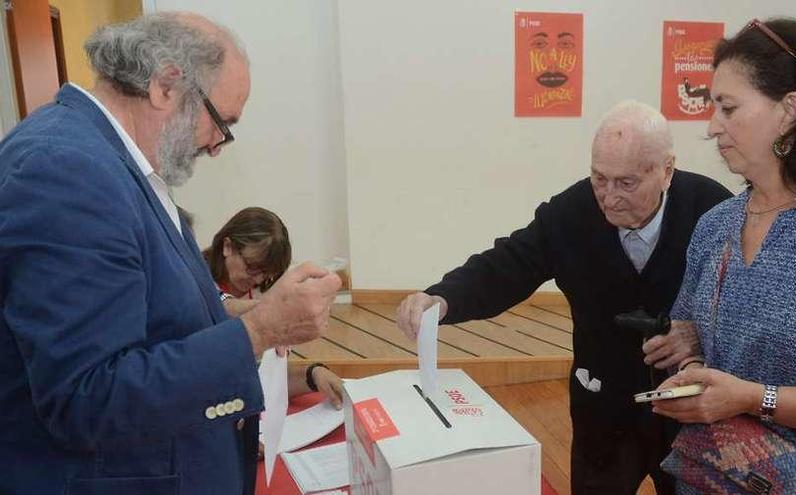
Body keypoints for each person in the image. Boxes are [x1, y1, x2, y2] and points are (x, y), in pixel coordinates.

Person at [0, 13, 341, 495]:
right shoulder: (66, 171)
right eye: (222, 123)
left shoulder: (110, 161)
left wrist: (242, 314)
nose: (218, 146)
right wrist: (260, 331)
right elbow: (89, 398)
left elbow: (153, 321)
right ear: (164, 85)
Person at [396, 100, 732, 494]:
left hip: (691, 412)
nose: (609, 197)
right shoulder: (570, 214)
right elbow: (508, 264)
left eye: (626, 183)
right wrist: (443, 298)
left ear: (666, 171)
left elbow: (755, 304)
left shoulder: (713, 211)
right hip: (602, 407)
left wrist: (699, 332)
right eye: (599, 178)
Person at [650, 18, 796, 491]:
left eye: (728, 108)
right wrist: (691, 375)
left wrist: (753, 398)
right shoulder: (715, 225)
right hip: (712, 476)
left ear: (789, 111)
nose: (711, 126)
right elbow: (689, 339)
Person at [204, 206, 344, 408]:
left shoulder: (263, 288)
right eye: (252, 267)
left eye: (267, 273)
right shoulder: (196, 279)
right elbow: (220, 305)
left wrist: (313, 374)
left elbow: (264, 378)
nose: (258, 278)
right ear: (228, 246)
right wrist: (276, 311)